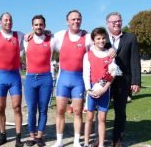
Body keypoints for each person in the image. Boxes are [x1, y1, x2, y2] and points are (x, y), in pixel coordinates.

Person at [51, 10, 93, 147]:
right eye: (73, 19)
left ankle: (76, 141)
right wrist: (32, 34)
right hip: (63, 78)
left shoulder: (87, 37)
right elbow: (44, 36)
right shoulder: (60, 35)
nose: (76, 21)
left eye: (78, 19)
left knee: (77, 112)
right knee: (60, 111)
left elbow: (98, 48)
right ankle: (59, 141)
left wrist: (110, 49)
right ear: (67, 21)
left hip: (78, 80)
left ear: (81, 20)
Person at [105, 12, 141, 147]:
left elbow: (135, 61)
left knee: (120, 111)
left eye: (119, 21)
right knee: (102, 110)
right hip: (105, 80)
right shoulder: (101, 38)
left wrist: (136, 81)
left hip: (123, 81)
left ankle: (117, 139)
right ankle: (99, 137)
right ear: (107, 23)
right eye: (113, 21)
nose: (116, 23)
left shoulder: (130, 38)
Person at [0, 12, 24, 147]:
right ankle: (2, 135)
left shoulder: (19, 35)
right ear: (0, 22)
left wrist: (47, 32)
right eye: (5, 20)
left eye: (10, 20)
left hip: (15, 76)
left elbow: (33, 35)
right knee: (0, 108)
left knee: (17, 107)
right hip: (1, 77)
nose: (8, 22)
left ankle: (18, 138)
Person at [83, 27, 120, 147]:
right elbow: (86, 74)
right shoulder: (88, 55)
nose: (101, 40)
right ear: (93, 40)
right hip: (92, 89)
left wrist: (104, 88)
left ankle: (101, 144)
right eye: (98, 38)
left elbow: (113, 73)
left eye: (103, 38)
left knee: (102, 118)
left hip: (105, 89)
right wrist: (89, 90)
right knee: (89, 117)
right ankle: (86, 143)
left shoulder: (110, 54)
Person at [23, 15, 55, 147]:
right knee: (31, 109)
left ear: (45, 26)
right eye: (36, 25)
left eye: (41, 24)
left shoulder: (51, 40)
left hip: (45, 79)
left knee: (43, 109)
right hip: (30, 78)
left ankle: (40, 136)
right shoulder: (26, 40)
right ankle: (32, 136)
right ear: (32, 26)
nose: (38, 27)